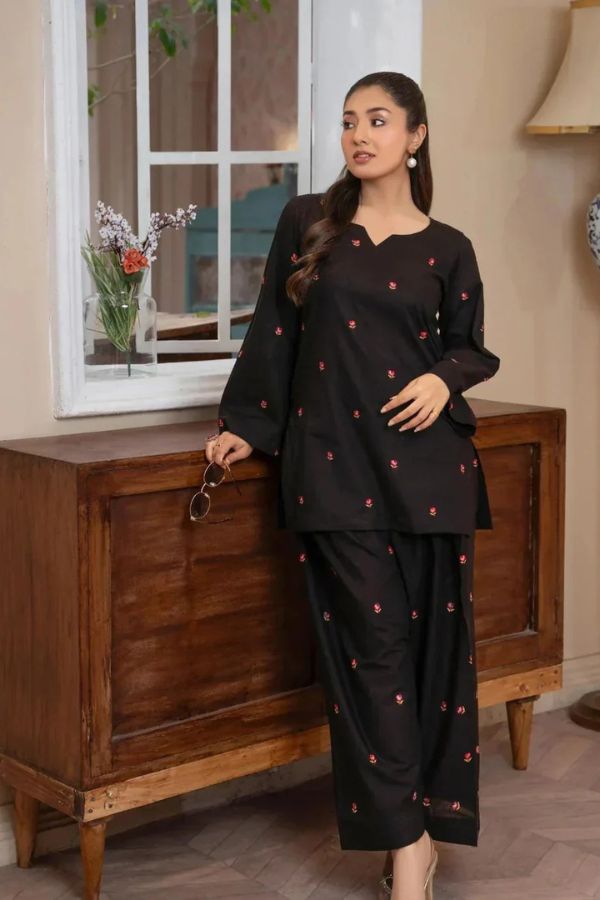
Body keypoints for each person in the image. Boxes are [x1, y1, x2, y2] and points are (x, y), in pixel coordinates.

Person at [205, 70, 500, 900]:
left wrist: (446, 379)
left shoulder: (450, 247)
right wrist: (246, 425)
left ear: (416, 135)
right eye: (347, 122)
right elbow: (274, 332)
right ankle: (406, 847)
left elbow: (472, 346)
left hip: (431, 476)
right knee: (372, 656)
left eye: (377, 120)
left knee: (433, 656)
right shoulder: (310, 225)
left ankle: (423, 832)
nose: (358, 134)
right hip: (334, 470)